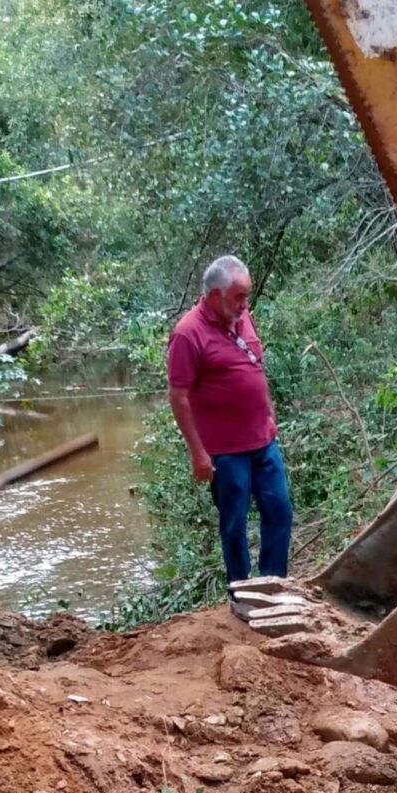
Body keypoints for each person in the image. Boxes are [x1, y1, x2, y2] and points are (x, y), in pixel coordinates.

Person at [166, 254, 294, 594]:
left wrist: (269, 414)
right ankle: (241, 592)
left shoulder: (242, 317)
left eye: (246, 296)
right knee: (234, 525)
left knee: (280, 511)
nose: (245, 304)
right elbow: (178, 396)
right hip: (226, 453)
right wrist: (198, 453)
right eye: (239, 297)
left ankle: (271, 587)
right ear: (214, 296)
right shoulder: (187, 334)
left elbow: (255, 368)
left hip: (264, 442)